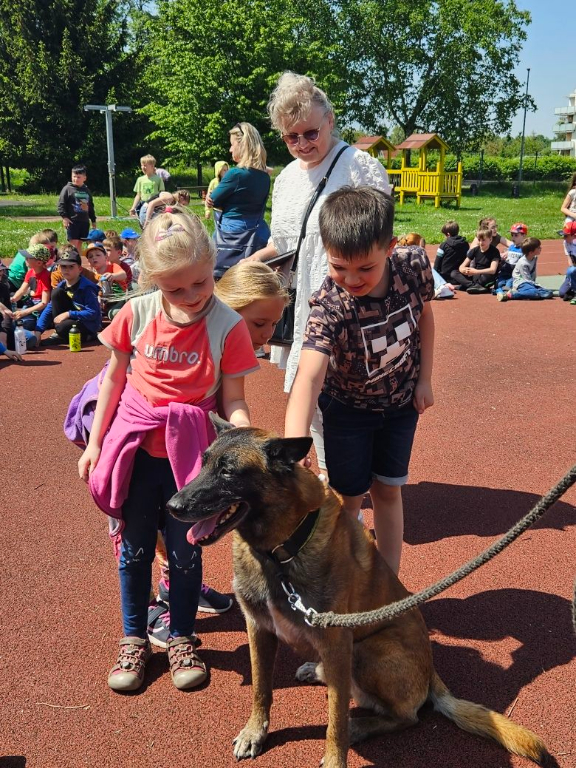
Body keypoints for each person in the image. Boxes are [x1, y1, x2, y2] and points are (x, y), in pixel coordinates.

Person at [77, 208, 258, 693]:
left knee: (185, 552)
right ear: (152, 280)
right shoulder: (136, 313)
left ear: (213, 264)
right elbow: (114, 380)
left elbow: (233, 398)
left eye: (201, 282)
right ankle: (134, 637)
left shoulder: (228, 325)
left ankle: (181, 636)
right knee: (135, 550)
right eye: (175, 289)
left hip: (192, 459)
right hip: (136, 454)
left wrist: (246, 438)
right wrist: (95, 444)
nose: (192, 296)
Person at [284, 186, 434, 576]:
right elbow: (309, 377)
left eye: (365, 268)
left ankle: (388, 584)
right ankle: (344, 580)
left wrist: (424, 379)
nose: (351, 278)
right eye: (339, 267)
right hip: (348, 411)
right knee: (348, 499)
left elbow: (424, 316)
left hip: (400, 405)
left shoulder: (413, 266)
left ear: (390, 247)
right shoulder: (329, 306)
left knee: (388, 490)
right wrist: (294, 445)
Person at [249, 71, 391, 474]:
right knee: (309, 391)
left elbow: (378, 242)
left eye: (310, 133)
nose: (302, 145)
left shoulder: (360, 167)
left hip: (351, 299)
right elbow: (284, 242)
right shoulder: (286, 179)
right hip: (303, 306)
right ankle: (329, 474)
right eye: (290, 138)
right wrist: (253, 260)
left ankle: (357, 477)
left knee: (347, 396)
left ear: (330, 119)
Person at [146, 260, 290, 648]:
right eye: (259, 323)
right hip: (145, 446)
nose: (268, 333)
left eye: (275, 323)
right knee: (148, 531)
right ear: (229, 310)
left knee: (186, 524)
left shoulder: (228, 344)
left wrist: (261, 451)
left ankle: (183, 585)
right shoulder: (190, 335)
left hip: (185, 447)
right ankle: (154, 606)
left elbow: (233, 402)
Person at [206, 122, 271, 278]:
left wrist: (210, 199)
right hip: (257, 234)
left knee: (221, 278)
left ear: (243, 144)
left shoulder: (235, 174)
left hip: (231, 235)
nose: (230, 149)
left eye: (232, 144)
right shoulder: (264, 177)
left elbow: (214, 200)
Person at [34, 247, 101, 343]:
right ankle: (62, 333)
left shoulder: (87, 287)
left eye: (71, 267)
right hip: (74, 319)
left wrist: (68, 314)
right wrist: (38, 330)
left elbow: (92, 313)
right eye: (63, 266)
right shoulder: (62, 285)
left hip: (87, 325)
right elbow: (50, 308)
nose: (66, 270)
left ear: (80, 269)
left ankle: (87, 336)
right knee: (56, 293)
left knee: (62, 327)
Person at [9, 244, 52, 335]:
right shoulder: (30, 272)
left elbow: (44, 303)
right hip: (31, 303)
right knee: (15, 319)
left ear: (39, 263)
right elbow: (22, 290)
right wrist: (13, 299)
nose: (25, 259)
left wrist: (24, 312)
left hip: (40, 308)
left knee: (23, 323)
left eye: (28, 258)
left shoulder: (45, 276)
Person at [399, 233, 454, 298]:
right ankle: (439, 287)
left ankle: (441, 286)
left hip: (404, 284)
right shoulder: (416, 255)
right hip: (409, 287)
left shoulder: (399, 253)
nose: (423, 249)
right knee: (426, 268)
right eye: (422, 246)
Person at [57, 165, 97, 253]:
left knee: (80, 244)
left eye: (78, 177)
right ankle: (72, 259)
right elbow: (61, 204)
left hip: (84, 222)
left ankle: (79, 260)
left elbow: (90, 206)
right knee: (73, 245)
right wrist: (64, 217)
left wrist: (93, 220)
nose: (76, 179)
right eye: (74, 176)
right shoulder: (67, 189)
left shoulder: (86, 190)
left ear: (84, 178)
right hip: (73, 221)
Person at [459, 228, 501, 293]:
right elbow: (462, 266)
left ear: (490, 239)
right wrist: (465, 270)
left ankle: (471, 285)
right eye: (479, 240)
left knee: (486, 277)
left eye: (483, 240)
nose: (481, 242)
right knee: (454, 273)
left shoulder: (495, 251)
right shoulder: (475, 250)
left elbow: (493, 270)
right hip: (475, 275)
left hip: (486, 275)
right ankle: (475, 286)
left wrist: (476, 271)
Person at [434, 220, 470, 289]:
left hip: (445, 278)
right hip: (460, 277)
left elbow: (437, 264)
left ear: (448, 234)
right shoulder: (465, 244)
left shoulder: (444, 245)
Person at [129, 154, 165, 221]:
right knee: (143, 221)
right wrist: (133, 207)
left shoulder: (158, 179)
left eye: (145, 165)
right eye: (142, 165)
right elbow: (138, 195)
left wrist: (163, 206)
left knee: (154, 222)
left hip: (155, 205)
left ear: (152, 166)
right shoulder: (140, 179)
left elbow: (162, 194)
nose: (143, 167)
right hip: (143, 204)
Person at [494, 222, 527, 293]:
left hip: (515, 274)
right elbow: (507, 256)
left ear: (523, 235)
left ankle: (506, 291)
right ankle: (500, 289)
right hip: (505, 272)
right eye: (512, 235)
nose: (513, 238)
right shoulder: (511, 247)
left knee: (509, 285)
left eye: (516, 235)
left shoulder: (524, 249)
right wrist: (503, 257)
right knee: (499, 284)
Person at [558, 220, 576, 302]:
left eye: (566, 236)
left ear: (574, 235)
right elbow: (570, 260)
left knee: (571, 270)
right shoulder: (566, 243)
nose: (563, 238)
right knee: (562, 293)